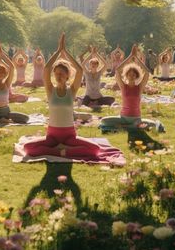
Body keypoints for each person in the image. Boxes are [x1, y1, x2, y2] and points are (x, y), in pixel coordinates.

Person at [24, 34, 123, 163]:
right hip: (52, 135)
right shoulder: (50, 90)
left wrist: (66, 52)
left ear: (67, 76)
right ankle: (61, 152)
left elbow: (79, 70)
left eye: (62, 73)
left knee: (95, 149)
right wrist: (59, 51)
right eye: (56, 73)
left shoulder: (72, 90)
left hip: (69, 135)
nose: (58, 75)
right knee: (27, 147)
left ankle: (60, 152)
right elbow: (47, 68)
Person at [100, 45, 161, 133]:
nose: (132, 76)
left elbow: (147, 73)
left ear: (136, 76)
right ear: (126, 76)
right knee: (104, 120)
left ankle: (126, 127)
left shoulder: (139, 87)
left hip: (136, 118)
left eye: (134, 75)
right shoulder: (123, 86)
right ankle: (131, 127)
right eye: (130, 74)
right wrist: (130, 57)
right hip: (123, 118)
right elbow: (117, 71)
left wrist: (136, 58)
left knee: (153, 124)